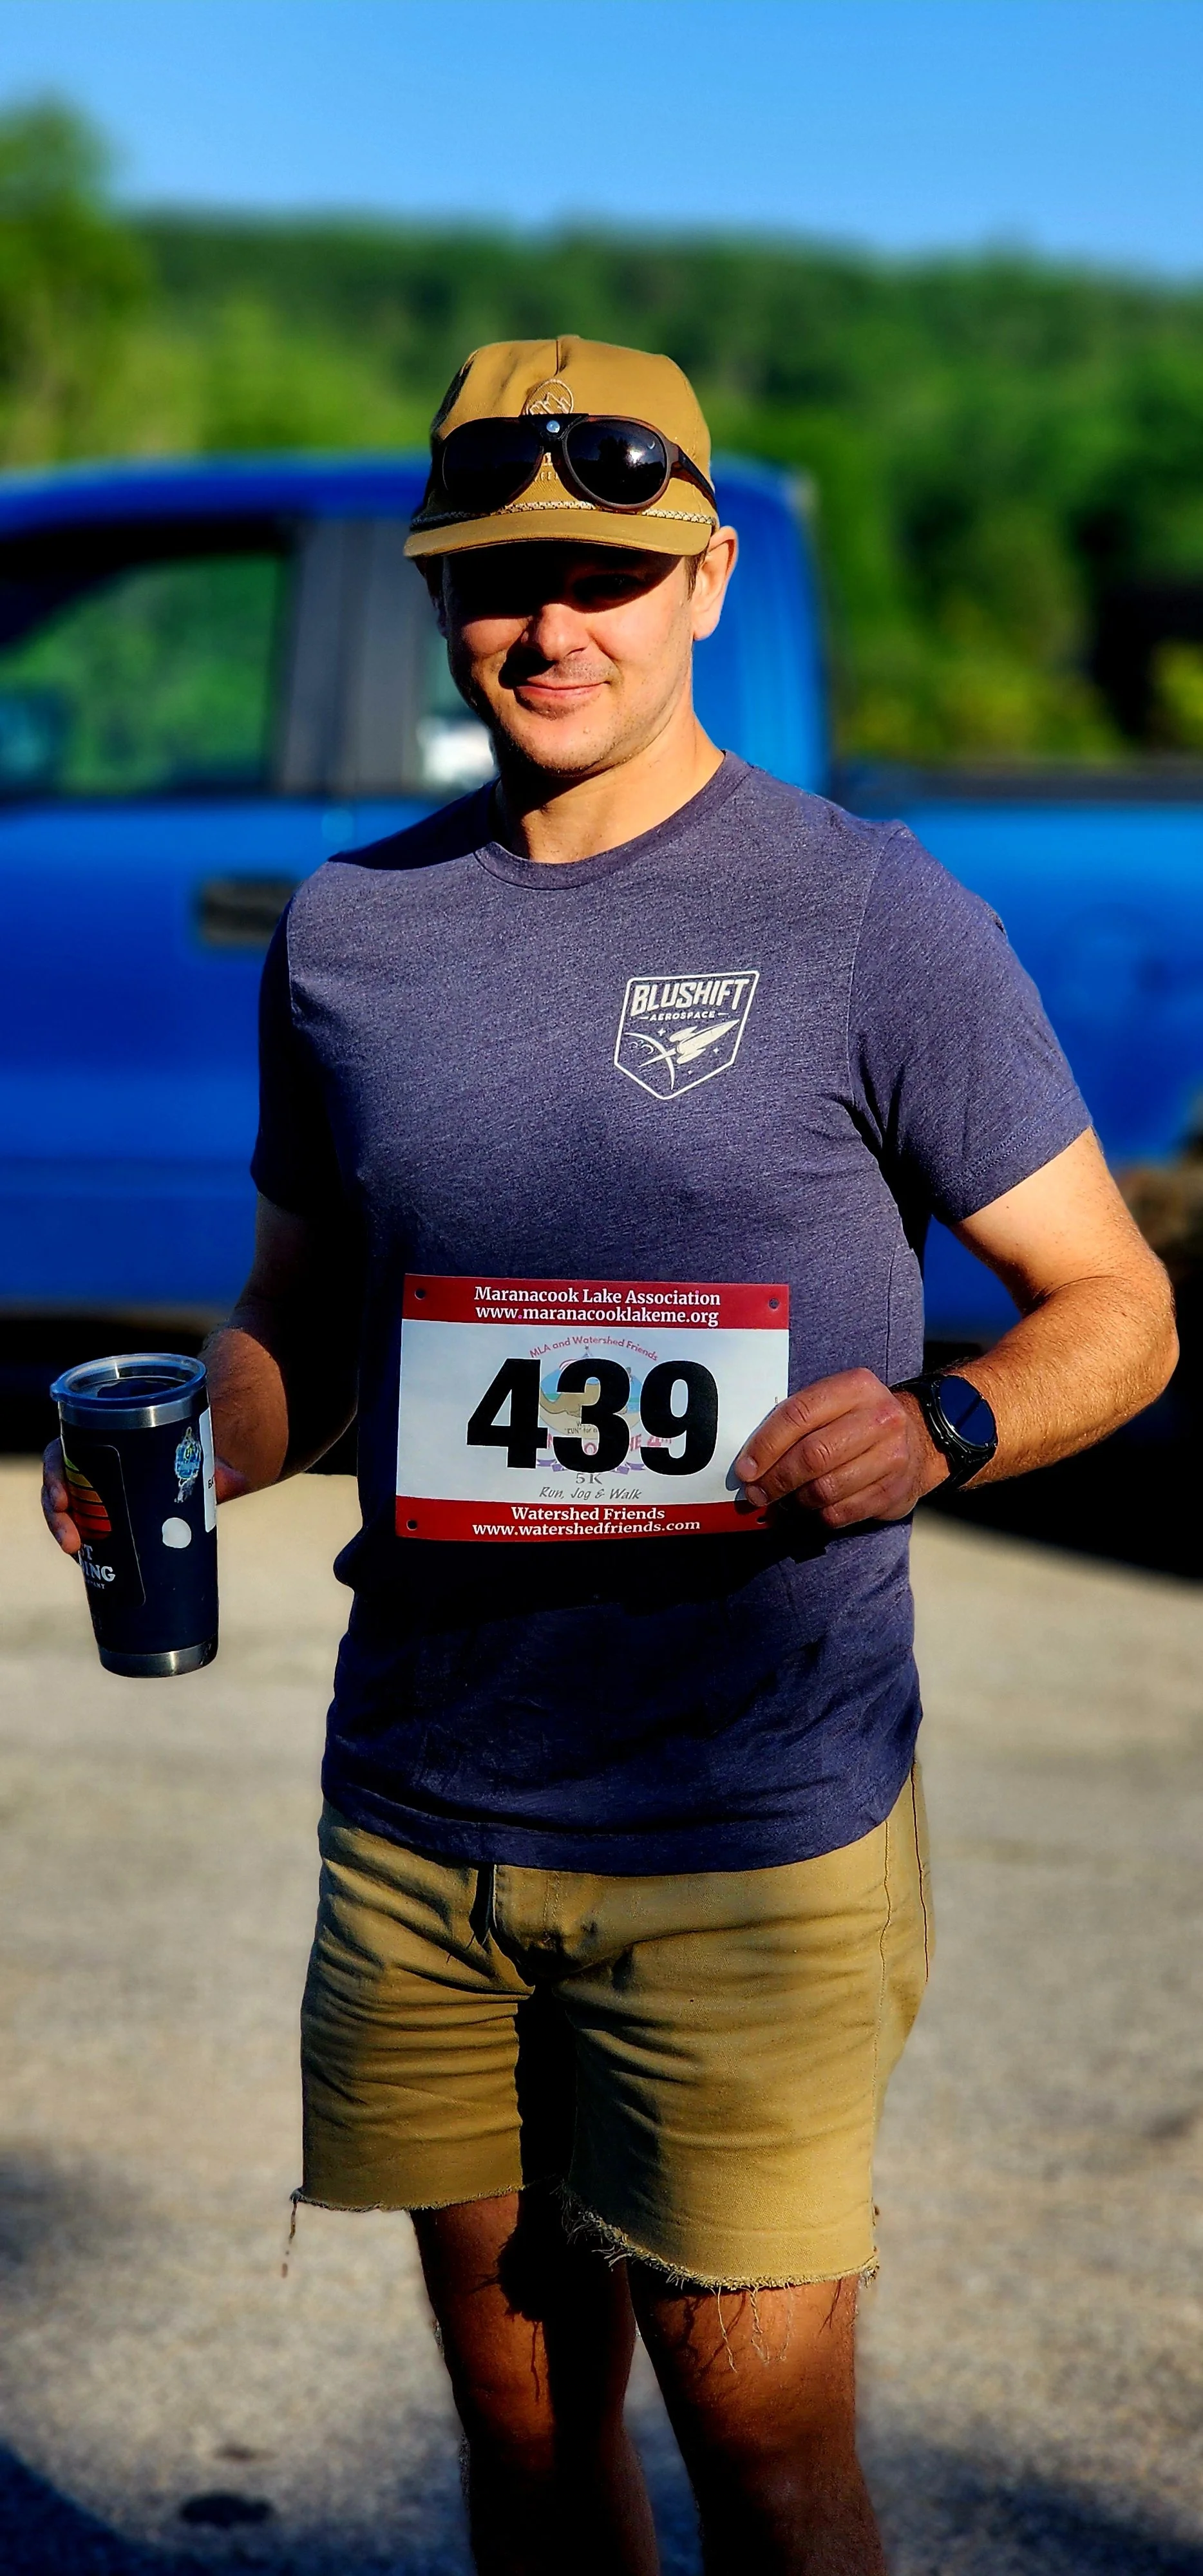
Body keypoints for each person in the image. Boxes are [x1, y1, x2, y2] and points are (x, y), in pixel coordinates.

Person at [43, 336, 1175, 2575]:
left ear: (703, 583)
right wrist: (182, 1444)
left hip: (744, 1833)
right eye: (493, 579)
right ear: (436, 601)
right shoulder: (351, 935)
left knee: (761, 2464)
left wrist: (938, 1424)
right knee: (527, 2446)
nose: (546, 627)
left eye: (601, 572)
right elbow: (310, 1331)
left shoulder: (866, 914)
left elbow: (1120, 1310)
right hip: (425, 1822)